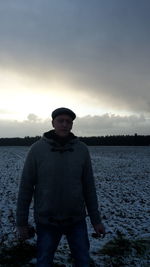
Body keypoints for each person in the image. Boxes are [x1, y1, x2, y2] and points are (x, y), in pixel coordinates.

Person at [16, 107, 105, 267]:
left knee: (83, 261)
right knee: (43, 262)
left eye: (68, 122)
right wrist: (21, 223)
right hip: (46, 221)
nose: (64, 124)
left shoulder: (82, 150)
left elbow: (89, 187)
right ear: (53, 123)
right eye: (60, 121)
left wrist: (96, 220)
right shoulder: (37, 150)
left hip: (76, 220)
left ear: (72, 125)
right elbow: (26, 188)